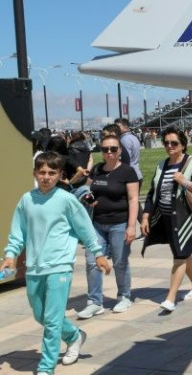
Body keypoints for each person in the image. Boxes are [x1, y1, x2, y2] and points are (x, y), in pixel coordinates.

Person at [1, 152, 112, 374]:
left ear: (60, 175)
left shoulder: (67, 200)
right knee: (40, 314)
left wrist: (98, 253)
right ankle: (74, 335)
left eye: (52, 173)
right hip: (34, 267)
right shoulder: (26, 200)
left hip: (60, 267)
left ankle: (46, 367)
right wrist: (10, 256)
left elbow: (84, 228)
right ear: (34, 173)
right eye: (42, 172)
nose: (46, 177)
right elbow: (17, 233)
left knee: (52, 320)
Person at [141, 126, 192, 312]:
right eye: (166, 143)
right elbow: (152, 193)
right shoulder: (161, 165)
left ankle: (170, 298)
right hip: (166, 218)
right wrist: (146, 216)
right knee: (184, 253)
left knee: (179, 256)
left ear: (183, 145)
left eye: (174, 143)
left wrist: (184, 182)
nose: (169, 146)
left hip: (186, 219)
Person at [77, 134, 140, 319]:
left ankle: (124, 296)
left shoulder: (127, 171)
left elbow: (133, 199)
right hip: (96, 224)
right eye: (105, 149)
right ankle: (95, 302)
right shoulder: (97, 169)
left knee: (120, 263)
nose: (109, 153)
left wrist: (131, 226)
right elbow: (86, 190)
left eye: (113, 149)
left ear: (119, 150)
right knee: (91, 262)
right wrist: (89, 199)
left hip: (119, 223)